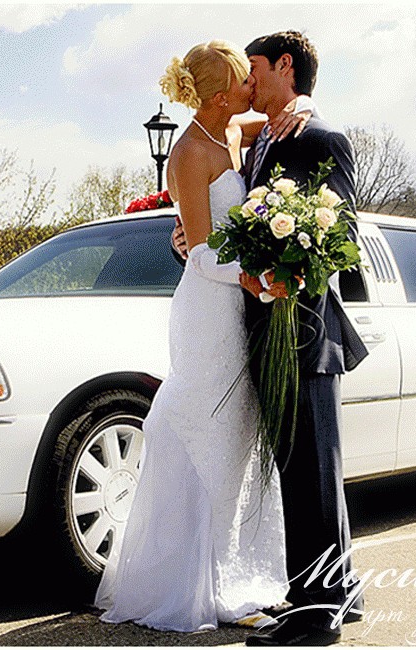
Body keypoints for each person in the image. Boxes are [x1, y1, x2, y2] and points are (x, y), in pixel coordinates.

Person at [172, 31, 369, 647]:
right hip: (259, 328)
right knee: (304, 469)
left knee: (312, 472)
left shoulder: (319, 137)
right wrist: (190, 241)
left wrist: (286, 269)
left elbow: (342, 234)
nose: (248, 81)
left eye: (254, 68)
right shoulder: (256, 138)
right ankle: (340, 590)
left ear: (286, 67)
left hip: (302, 330)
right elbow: (215, 223)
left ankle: (316, 611)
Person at [93, 40, 294, 633]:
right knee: (201, 430)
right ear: (219, 95)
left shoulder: (232, 131)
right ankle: (188, 585)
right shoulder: (187, 152)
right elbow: (202, 254)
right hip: (208, 312)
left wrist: (302, 102)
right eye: (242, 81)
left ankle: (231, 577)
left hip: (238, 308)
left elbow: (285, 114)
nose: (251, 87)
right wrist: (252, 278)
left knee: (236, 435)